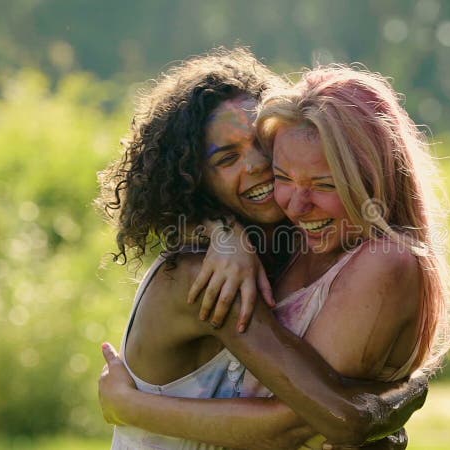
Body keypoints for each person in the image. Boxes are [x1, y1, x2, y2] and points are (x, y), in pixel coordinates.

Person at [96, 48, 431, 450]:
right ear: (194, 180)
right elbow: (310, 420)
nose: (256, 164)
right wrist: (406, 396)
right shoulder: (203, 276)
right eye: (227, 158)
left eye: (260, 143)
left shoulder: (271, 250)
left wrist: (227, 231)